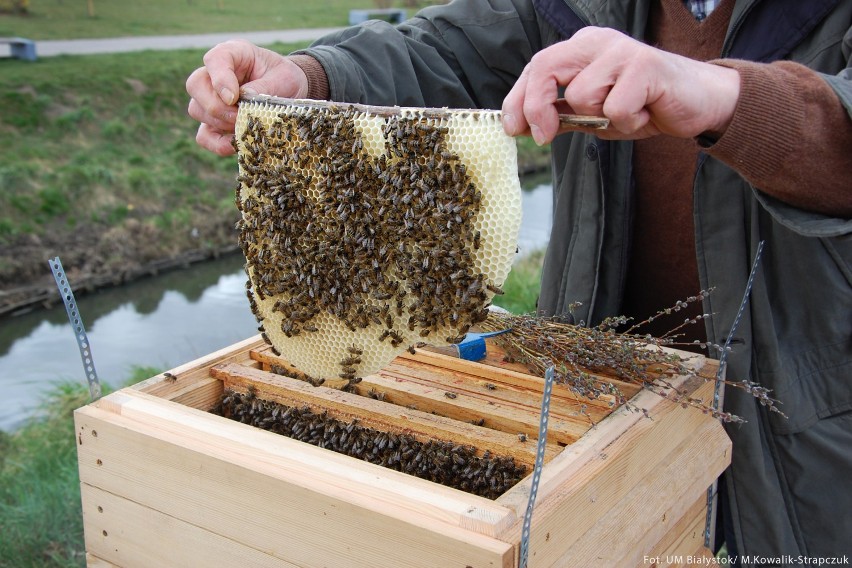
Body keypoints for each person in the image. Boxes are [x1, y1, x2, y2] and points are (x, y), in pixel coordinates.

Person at [187, 1, 852, 563]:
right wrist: (316, 76)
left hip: (807, 444)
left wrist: (727, 97)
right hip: (593, 406)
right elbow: (452, 48)